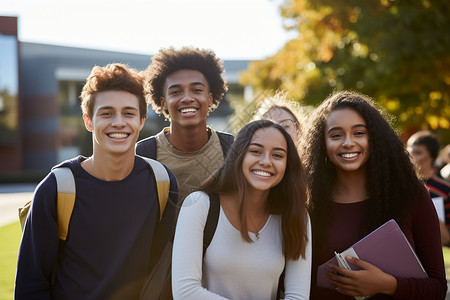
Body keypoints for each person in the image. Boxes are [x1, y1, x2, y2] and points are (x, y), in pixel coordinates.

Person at [15, 63, 178, 299]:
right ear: (88, 121)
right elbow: (31, 285)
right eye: (107, 113)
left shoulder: (162, 182)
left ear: (142, 121)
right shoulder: (57, 188)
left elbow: (159, 271)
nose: (119, 122)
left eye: (129, 113)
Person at [300, 91, 447, 299]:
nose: (348, 142)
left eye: (359, 133)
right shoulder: (307, 202)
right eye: (336, 135)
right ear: (321, 144)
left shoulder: (411, 196)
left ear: (375, 137)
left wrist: (388, 285)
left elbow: (438, 289)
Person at [172, 120, 312, 300]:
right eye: (256, 151)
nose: (266, 162)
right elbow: (185, 292)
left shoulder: (296, 216)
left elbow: (298, 296)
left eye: (277, 155)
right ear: (239, 155)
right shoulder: (199, 205)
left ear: (288, 165)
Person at [136, 47, 234, 202]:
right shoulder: (143, 155)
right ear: (164, 103)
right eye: (175, 92)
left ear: (210, 99)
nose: (187, 98)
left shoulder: (232, 150)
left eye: (196, 90)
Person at [407, 131, 450, 245]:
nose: (411, 157)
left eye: (418, 152)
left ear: (431, 156)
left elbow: (446, 238)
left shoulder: (445, 188)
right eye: (409, 152)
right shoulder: (401, 185)